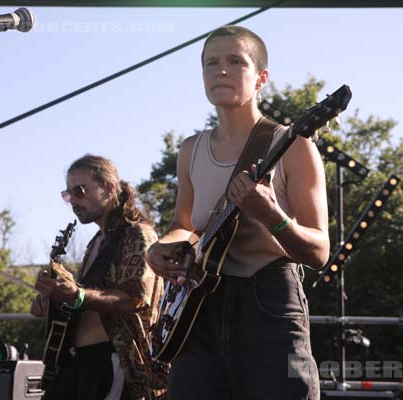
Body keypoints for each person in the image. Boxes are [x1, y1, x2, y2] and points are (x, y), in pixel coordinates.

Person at [146, 25, 329, 400]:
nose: (221, 71)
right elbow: (184, 225)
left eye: (235, 61)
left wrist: (273, 216)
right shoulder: (189, 150)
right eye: (210, 63)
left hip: (270, 300)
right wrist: (160, 247)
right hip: (198, 308)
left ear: (261, 77)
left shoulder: (293, 146)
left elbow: (319, 250)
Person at [31, 154, 166, 400]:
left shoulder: (138, 235)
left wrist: (77, 294)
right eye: (68, 194)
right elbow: (83, 303)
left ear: (109, 188)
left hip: (114, 360)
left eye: (80, 191)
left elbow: (134, 298)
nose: (73, 201)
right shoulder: (95, 244)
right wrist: (53, 303)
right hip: (77, 363)